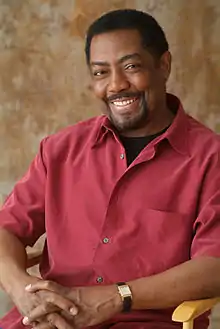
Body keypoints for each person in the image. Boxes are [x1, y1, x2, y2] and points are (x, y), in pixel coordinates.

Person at [0, 8, 220, 329]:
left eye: (131, 67)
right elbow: (7, 228)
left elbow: (215, 266)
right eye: (101, 72)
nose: (116, 85)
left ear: (164, 65)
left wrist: (118, 297)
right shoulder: (59, 150)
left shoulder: (210, 158)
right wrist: (22, 290)